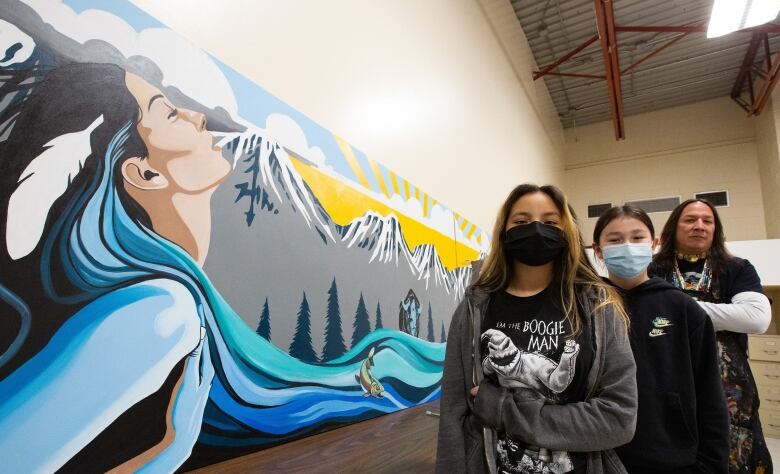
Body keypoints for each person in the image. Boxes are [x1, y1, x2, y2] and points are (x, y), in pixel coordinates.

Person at [0, 62, 444, 472]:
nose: (198, 117)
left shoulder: (162, 300)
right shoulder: (160, 310)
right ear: (144, 173)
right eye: (169, 114)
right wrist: (172, 448)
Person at [437, 183, 638, 474]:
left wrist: (503, 410)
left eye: (550, 222)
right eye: (521, 221)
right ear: (504, 231)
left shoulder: (597, 306)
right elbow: (453, 412)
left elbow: (619, 419)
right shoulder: (475, 307)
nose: (535, 229)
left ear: (566, 230)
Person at [592, 205, 728, 473]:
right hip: (597, 454)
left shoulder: (683, 309)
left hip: (668, 457)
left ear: (654, 244)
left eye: (637, 237)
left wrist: (712, 464)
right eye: (615, 240)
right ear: (598, 250)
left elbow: (710, 395)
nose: (627, 247)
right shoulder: (586, 304)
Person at [649, 199, 773, 473]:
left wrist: (675, 311)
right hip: (668, 382)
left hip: (729, 390)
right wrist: (722, 314)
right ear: (674, 227)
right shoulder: (653, 269)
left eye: (707, 221)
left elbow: (756, 318)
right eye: (690, 220)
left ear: (716, 229)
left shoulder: (736, 268)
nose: (699, 226)